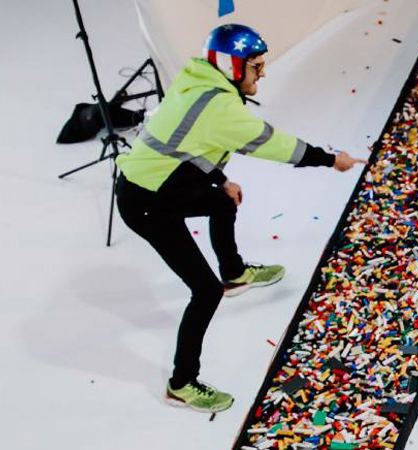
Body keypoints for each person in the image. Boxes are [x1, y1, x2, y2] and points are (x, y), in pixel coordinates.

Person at [116, 24, 363, 413]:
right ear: (232, 66)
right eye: (256, 66)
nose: (262, 74)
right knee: (204, 291)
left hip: (156, 182)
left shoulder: (199, 81)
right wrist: (332, 160)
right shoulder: (221, 106)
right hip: (148, 203)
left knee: (222, 201)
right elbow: (275, 144)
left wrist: (220, 179)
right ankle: (181, 384)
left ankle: (234, 272)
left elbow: (187, 143)